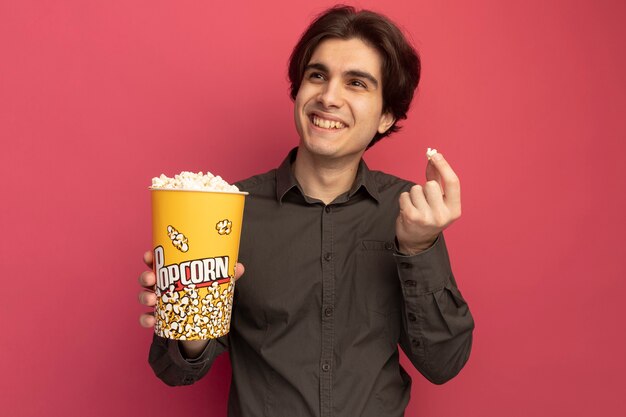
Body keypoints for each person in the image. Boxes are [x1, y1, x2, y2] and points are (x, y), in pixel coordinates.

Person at [138, 5, 474, 417]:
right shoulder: (228, 209)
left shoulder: (409, 212)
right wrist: (187, 312)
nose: (329, 97)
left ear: (387, 115)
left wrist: (418, 249)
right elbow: (174, 370)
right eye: (318, 76)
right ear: (298, 90)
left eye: (356, 83)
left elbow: (444, 363)